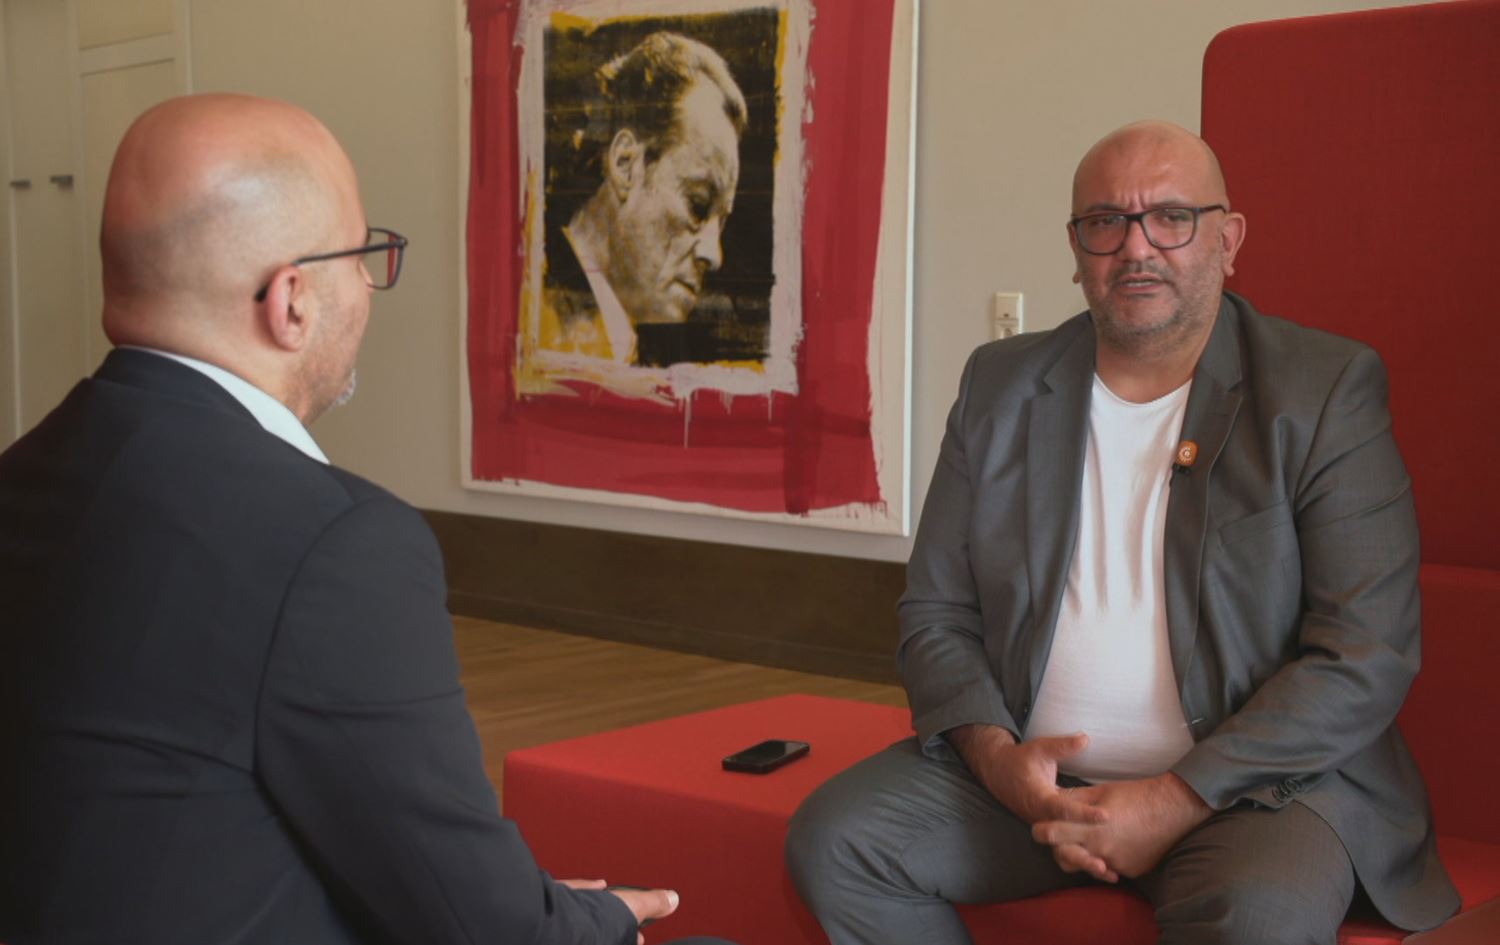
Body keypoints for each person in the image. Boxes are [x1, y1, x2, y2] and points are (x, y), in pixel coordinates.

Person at [0, 93, 734, 945]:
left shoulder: (25, 475)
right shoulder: (333, 544)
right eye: (363, 256)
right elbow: (483, 927)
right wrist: (596, 917)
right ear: (292, 300)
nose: (369, 286)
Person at [785, 120, 1460, 944]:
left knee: (1259, 919)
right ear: (1076, 249)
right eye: (1106, 221)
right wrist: (1002, 762)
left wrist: (1175, 797)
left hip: (1254, 794)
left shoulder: (1322, 391)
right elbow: (936, 614)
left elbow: (1365, 652)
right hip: (1031, 788)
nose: (1137, 246)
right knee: (838, 842)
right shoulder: (1000, 386)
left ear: (1228, 239)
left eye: (1171, 217)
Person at [541, 31, 746, 365]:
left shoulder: (653, 354)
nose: (714, 255)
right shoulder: (530, 308)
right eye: (697, 205)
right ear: (625, 164)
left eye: (720, 224)